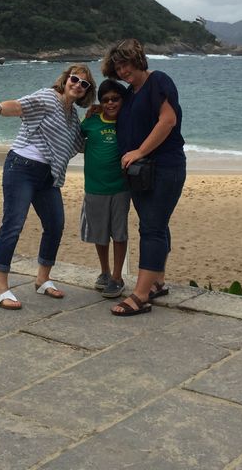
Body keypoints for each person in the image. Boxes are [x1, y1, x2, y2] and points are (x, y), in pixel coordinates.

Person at [0, 63, 96, 309]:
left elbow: (79, 145)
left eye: (84, 84)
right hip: (21, 167)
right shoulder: (47, 97)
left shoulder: (73, 118)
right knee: (13, 224)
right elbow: (21, 106)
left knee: (55, 225)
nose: (78, 85)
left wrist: (102, 125)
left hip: (48, 176)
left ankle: (42, 279)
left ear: (87, 92)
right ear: (65, 80)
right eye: (74, 79)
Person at [101, 38, 186, 316]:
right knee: (156, 225)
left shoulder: (158, 81)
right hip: (139, 174)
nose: (122, 71)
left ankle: (140, 295)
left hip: (164, 167)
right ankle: (157, 282)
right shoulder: (131, 93)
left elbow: (168, 120)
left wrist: (139, 151)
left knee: (151, 228)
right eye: (118, 67)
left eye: (125, 64)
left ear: (137, 59)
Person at [80, 79, 131, 299]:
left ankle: (118, 277)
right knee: (100, 234)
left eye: (115, 99)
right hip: (94, 187)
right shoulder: (91, 121)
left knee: (119, 233)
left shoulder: (128, 120)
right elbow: (75, 139)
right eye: (105, 99)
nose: (111, 103)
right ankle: (105, 272)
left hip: (121, 187)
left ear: (123, 100)